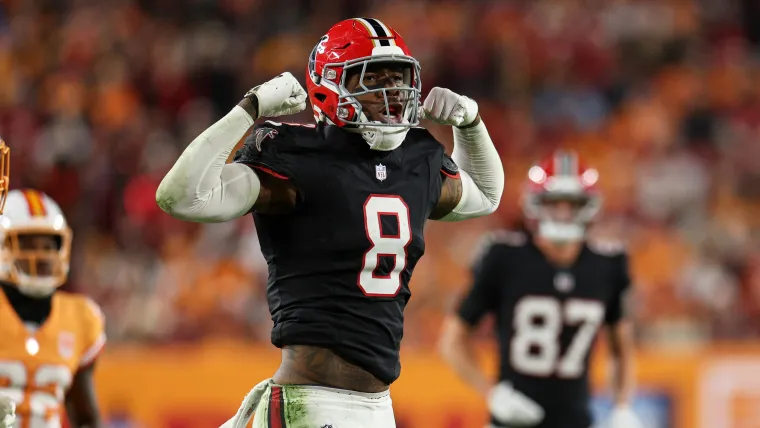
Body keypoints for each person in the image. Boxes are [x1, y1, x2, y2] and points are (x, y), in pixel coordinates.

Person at [156, 17, 504, 428]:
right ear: (330, 85)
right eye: (371, 77)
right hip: (311, 400)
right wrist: (249, 109)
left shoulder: (417, 157)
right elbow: (182, 196)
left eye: (398, 76)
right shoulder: (296, 155)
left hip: (379, 406)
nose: (391, 90)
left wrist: (471, 124)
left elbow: (486, 195)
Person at [439, 150, 644, 428]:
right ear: (535, 204)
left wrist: (622, 407)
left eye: (571, 204)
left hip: (576, 421)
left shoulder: (608, 265)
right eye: (553, 203)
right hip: (510, 423)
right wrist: (492, 393)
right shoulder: (504, 258)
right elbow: (452, 340)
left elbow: (621, 349)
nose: (562, 213)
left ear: (588, 206)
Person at [0, 189, 106, 428]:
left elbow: (86, 418)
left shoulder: (80, 318)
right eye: (28, 244)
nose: (42, 256)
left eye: (48, 246)